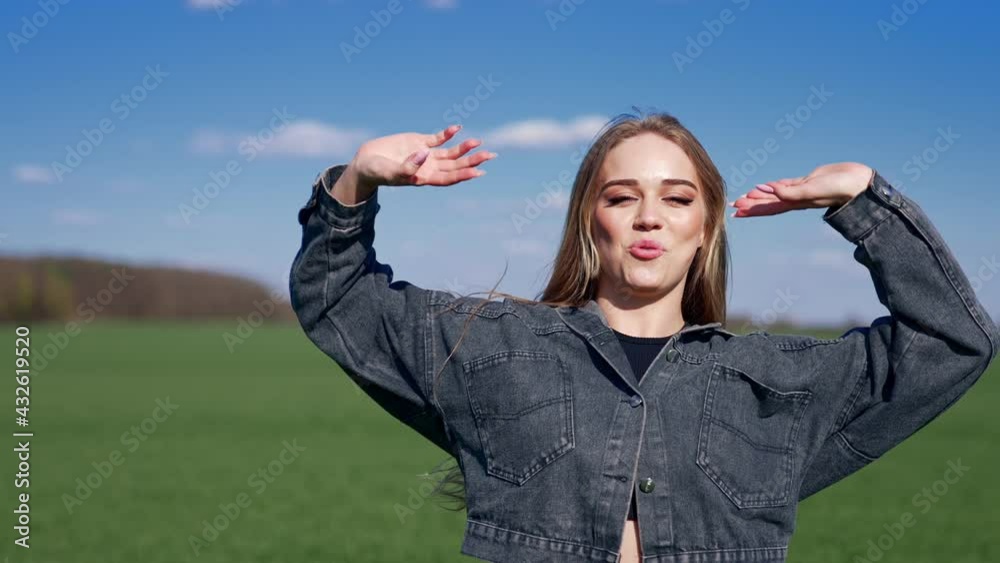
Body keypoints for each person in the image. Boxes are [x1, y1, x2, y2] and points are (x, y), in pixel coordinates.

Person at [289, 111, 999, 563]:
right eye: (623, 196)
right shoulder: (491, 347)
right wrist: (355, 182)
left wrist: (861, 200)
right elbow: (336, 297)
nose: (650, 217)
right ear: (588, 222)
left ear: (704, 229)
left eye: (678, 198)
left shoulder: (778, 383)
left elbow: (953, 340)